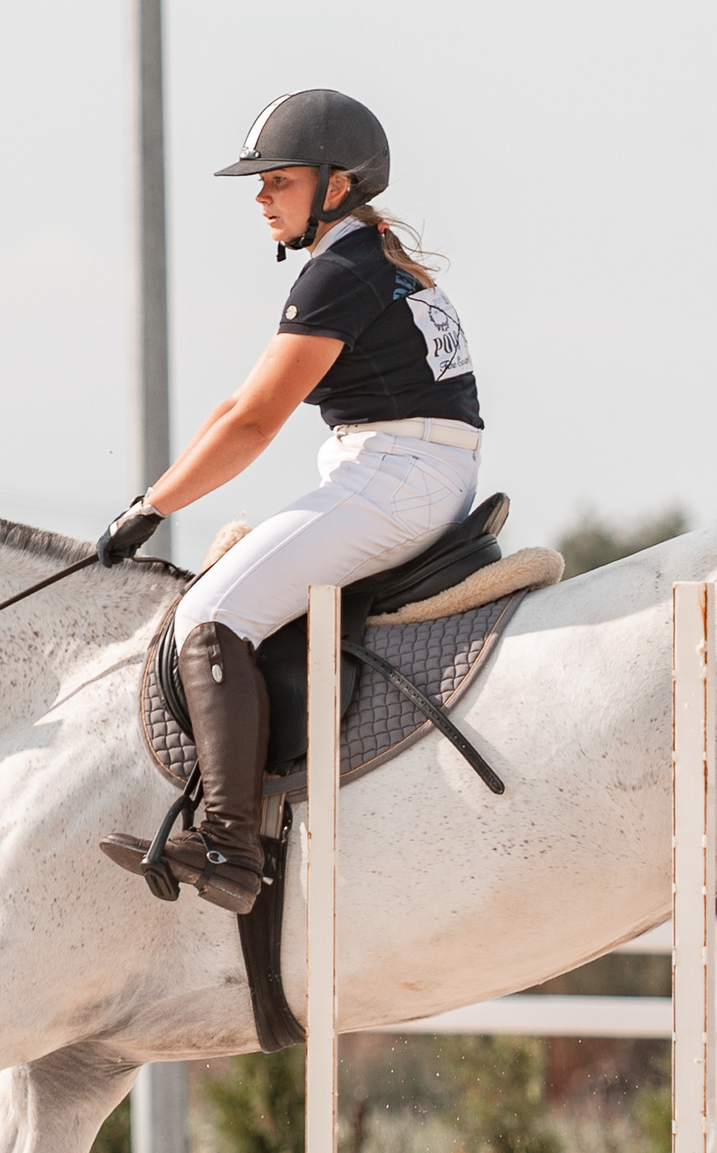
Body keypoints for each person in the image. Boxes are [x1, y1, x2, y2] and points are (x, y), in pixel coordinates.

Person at [95, 89, 483, 914]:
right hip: (415, 469)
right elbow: (233, 407)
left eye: (278, 179)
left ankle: (231, 845)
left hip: (394, 477)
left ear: (335, 186)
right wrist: (152, 494)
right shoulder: (371, 259)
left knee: (210, 614)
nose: (261, 194)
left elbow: (256, 422)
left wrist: (151, 510)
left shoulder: (340, 271)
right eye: (259, 181)